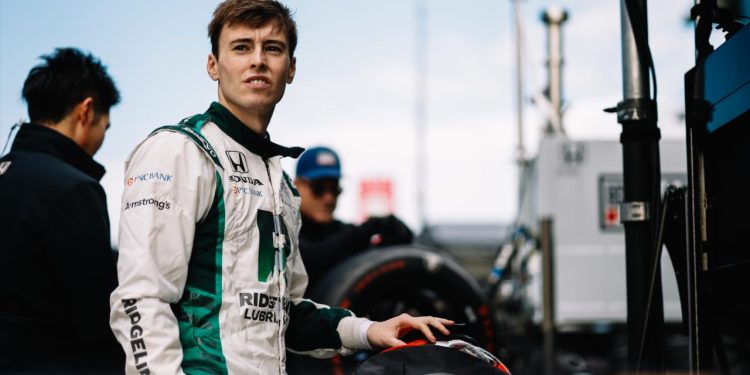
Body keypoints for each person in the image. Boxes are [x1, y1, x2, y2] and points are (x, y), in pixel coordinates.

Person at [108, 1, 452, 374]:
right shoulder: (180, 152)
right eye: (241, 47)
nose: (258, 60)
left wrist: (369, 330)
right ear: (213, 65)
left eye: (272, 48)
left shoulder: (281, 185)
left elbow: (282, 313)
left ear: (290, 68)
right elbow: (140, 299)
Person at [0, 48, 123, 373]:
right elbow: (100, 319)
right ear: (86, 111)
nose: (101, 139)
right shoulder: (74, 189)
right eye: (105, 127)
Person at [294, 146, 414, 290]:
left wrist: (394, 239)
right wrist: (365, 231)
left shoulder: (344, 233)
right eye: (318, 188)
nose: (329, 198)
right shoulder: (283, 232)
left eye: (334, 189)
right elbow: (307, 261)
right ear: (297, 185)